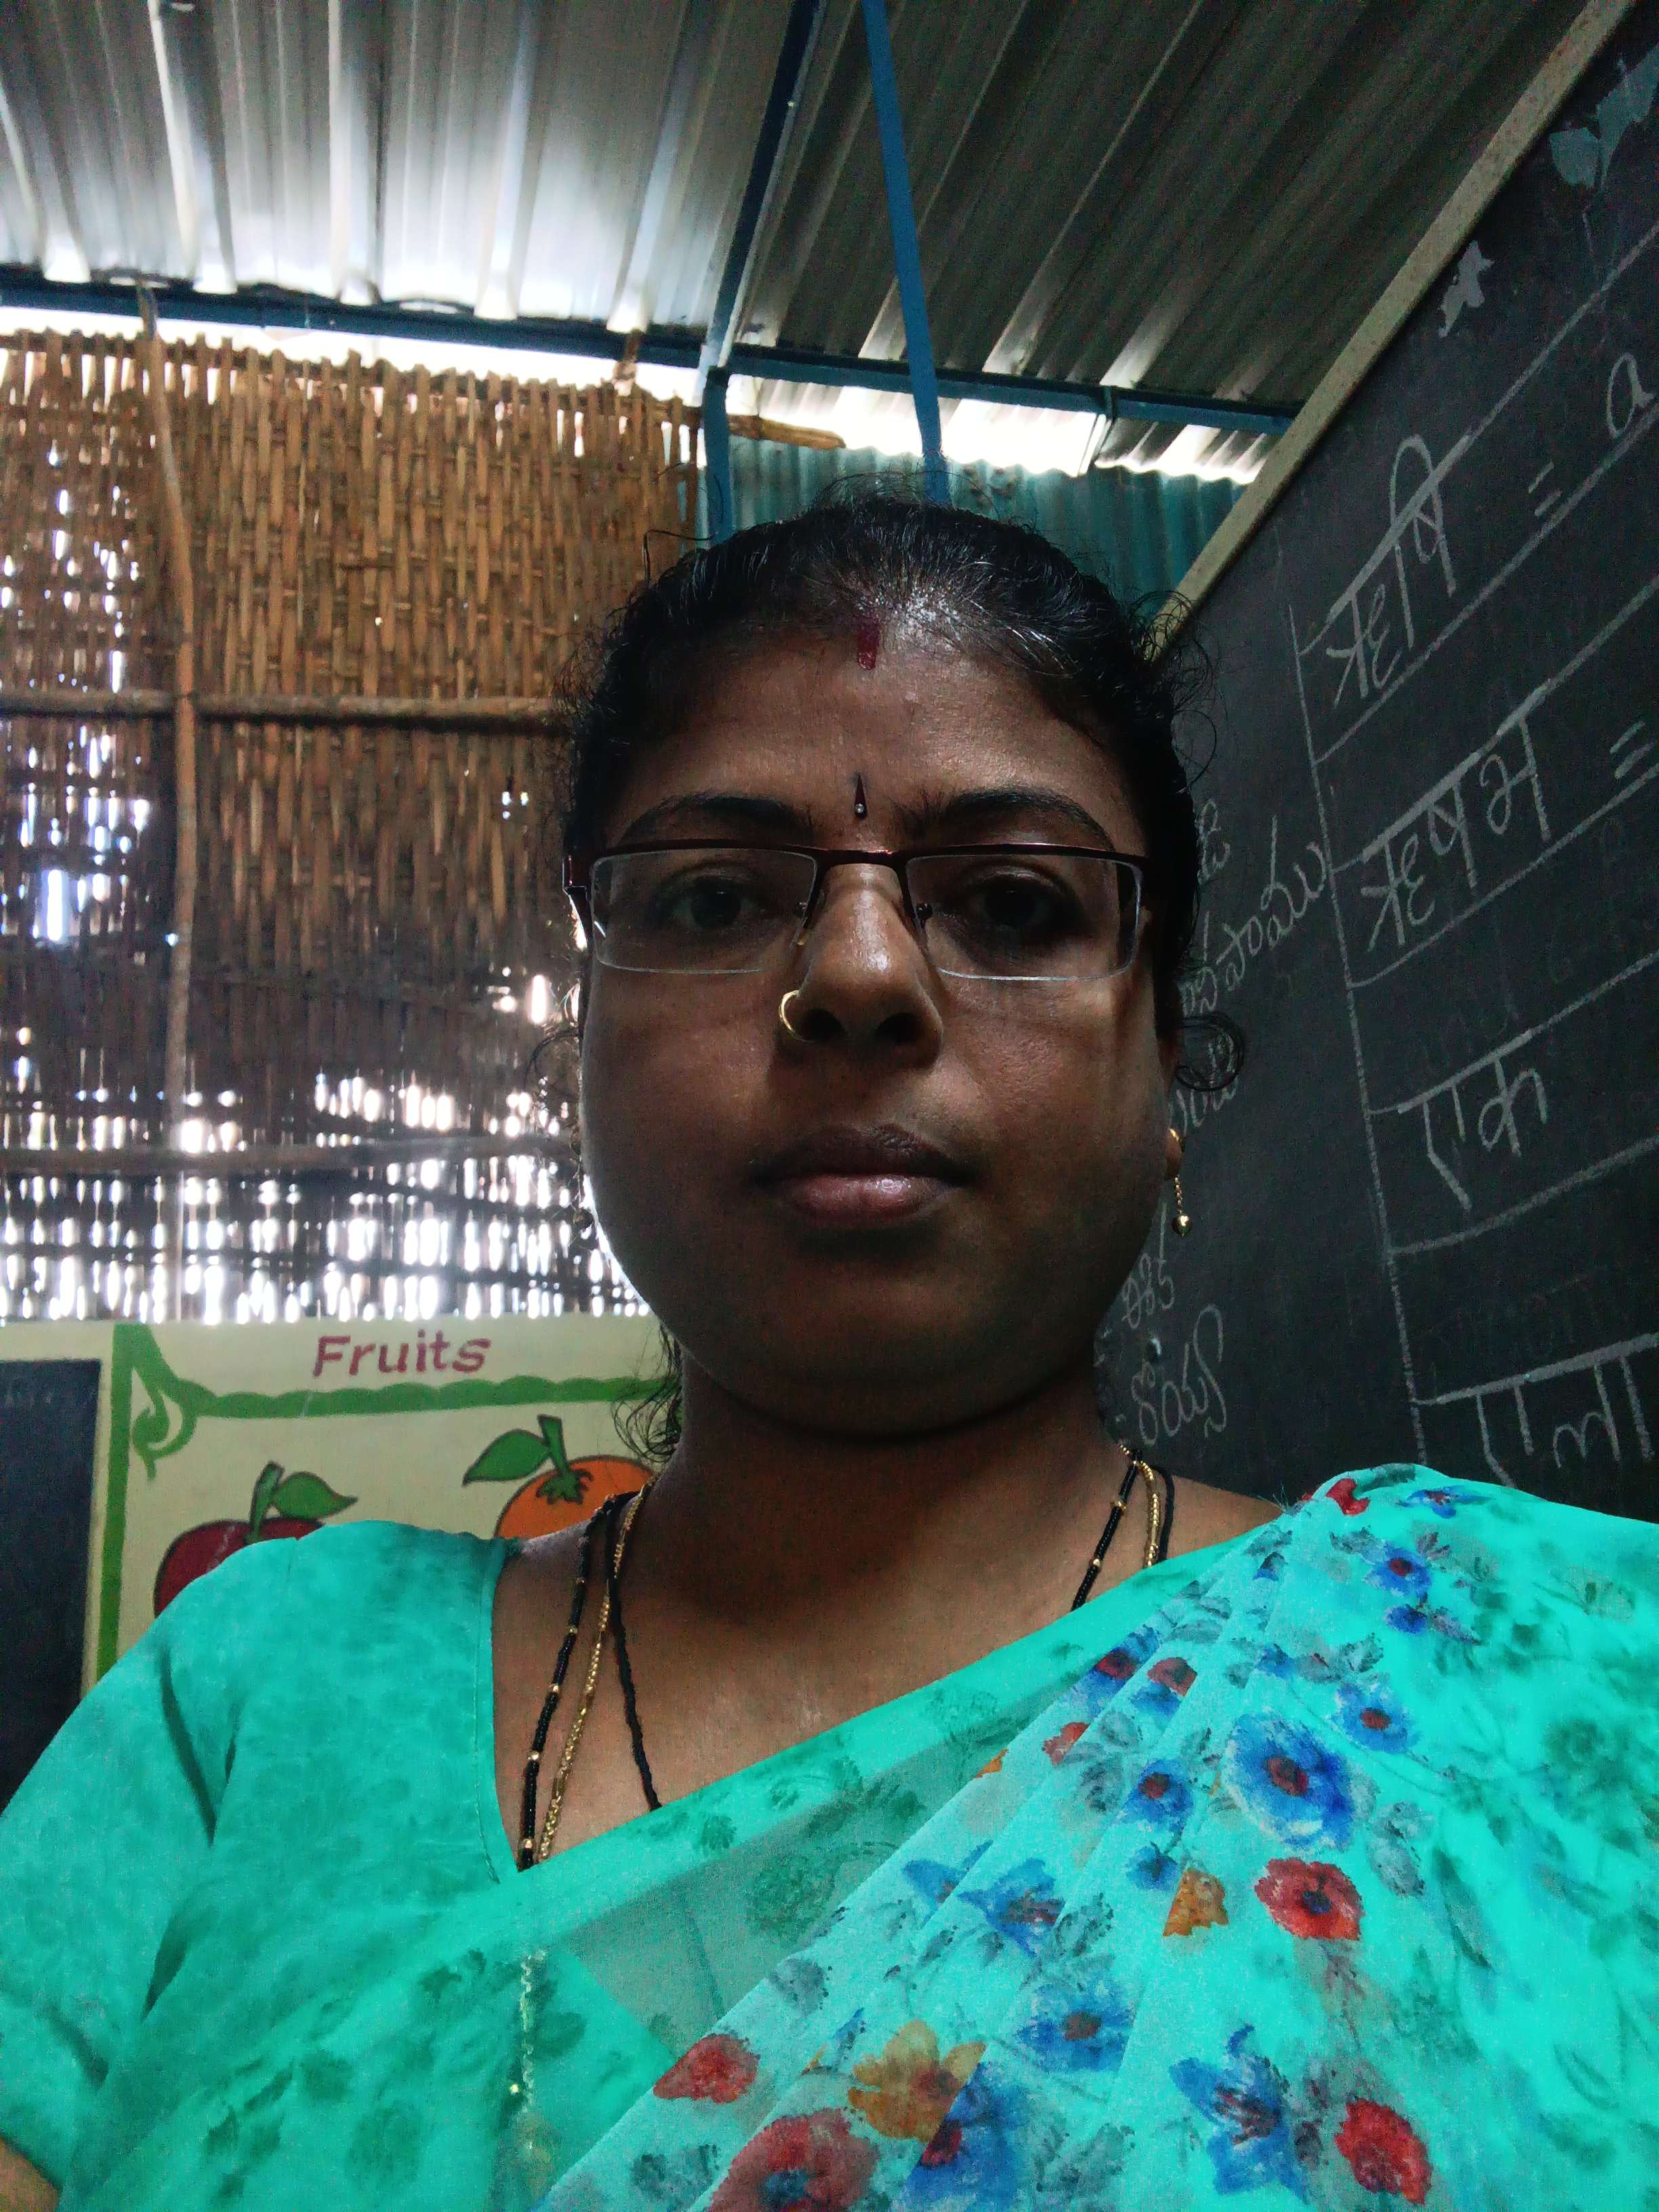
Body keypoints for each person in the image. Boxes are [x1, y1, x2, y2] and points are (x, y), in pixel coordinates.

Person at [1, 497, 1655, 2212]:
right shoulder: (260, 1688)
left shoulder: (1513, 1691)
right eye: (717, 897)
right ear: (588, 1044)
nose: (860, 976)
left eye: (1013, 905)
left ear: (1166, 1056)